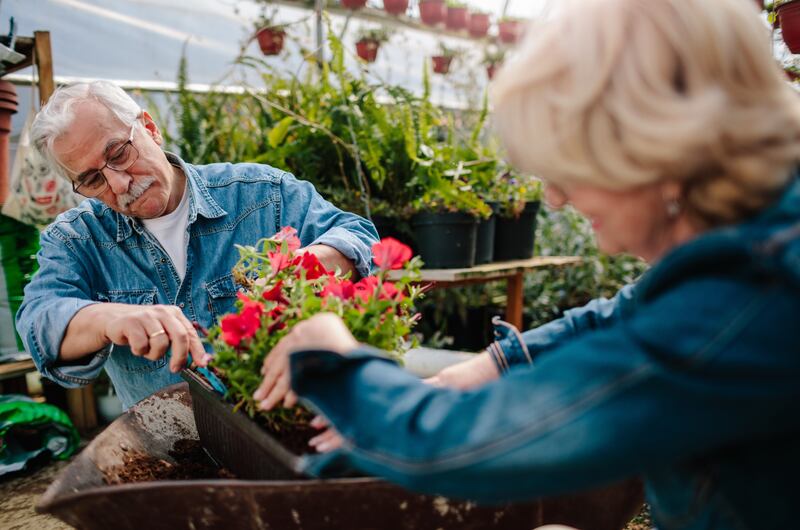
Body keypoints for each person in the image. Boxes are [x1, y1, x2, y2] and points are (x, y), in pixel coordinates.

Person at [251, 0, 800, 528]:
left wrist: (334, 355)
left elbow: (473, 444)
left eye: (570, 163)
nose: (556, 197)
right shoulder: (762, 240)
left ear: (658, 146)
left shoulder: (754, 294)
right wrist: (496, 363)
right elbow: (625, 312)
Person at [17, 81, 378, 409]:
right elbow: (39, 322)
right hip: (172, 450)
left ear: (150, 129)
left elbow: (358, 236)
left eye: (119, 154)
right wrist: (109, 318)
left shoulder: (261, 194)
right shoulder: (78, 238)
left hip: (283, 422)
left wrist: (306, 263)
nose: (120, 183)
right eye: (94, 179)